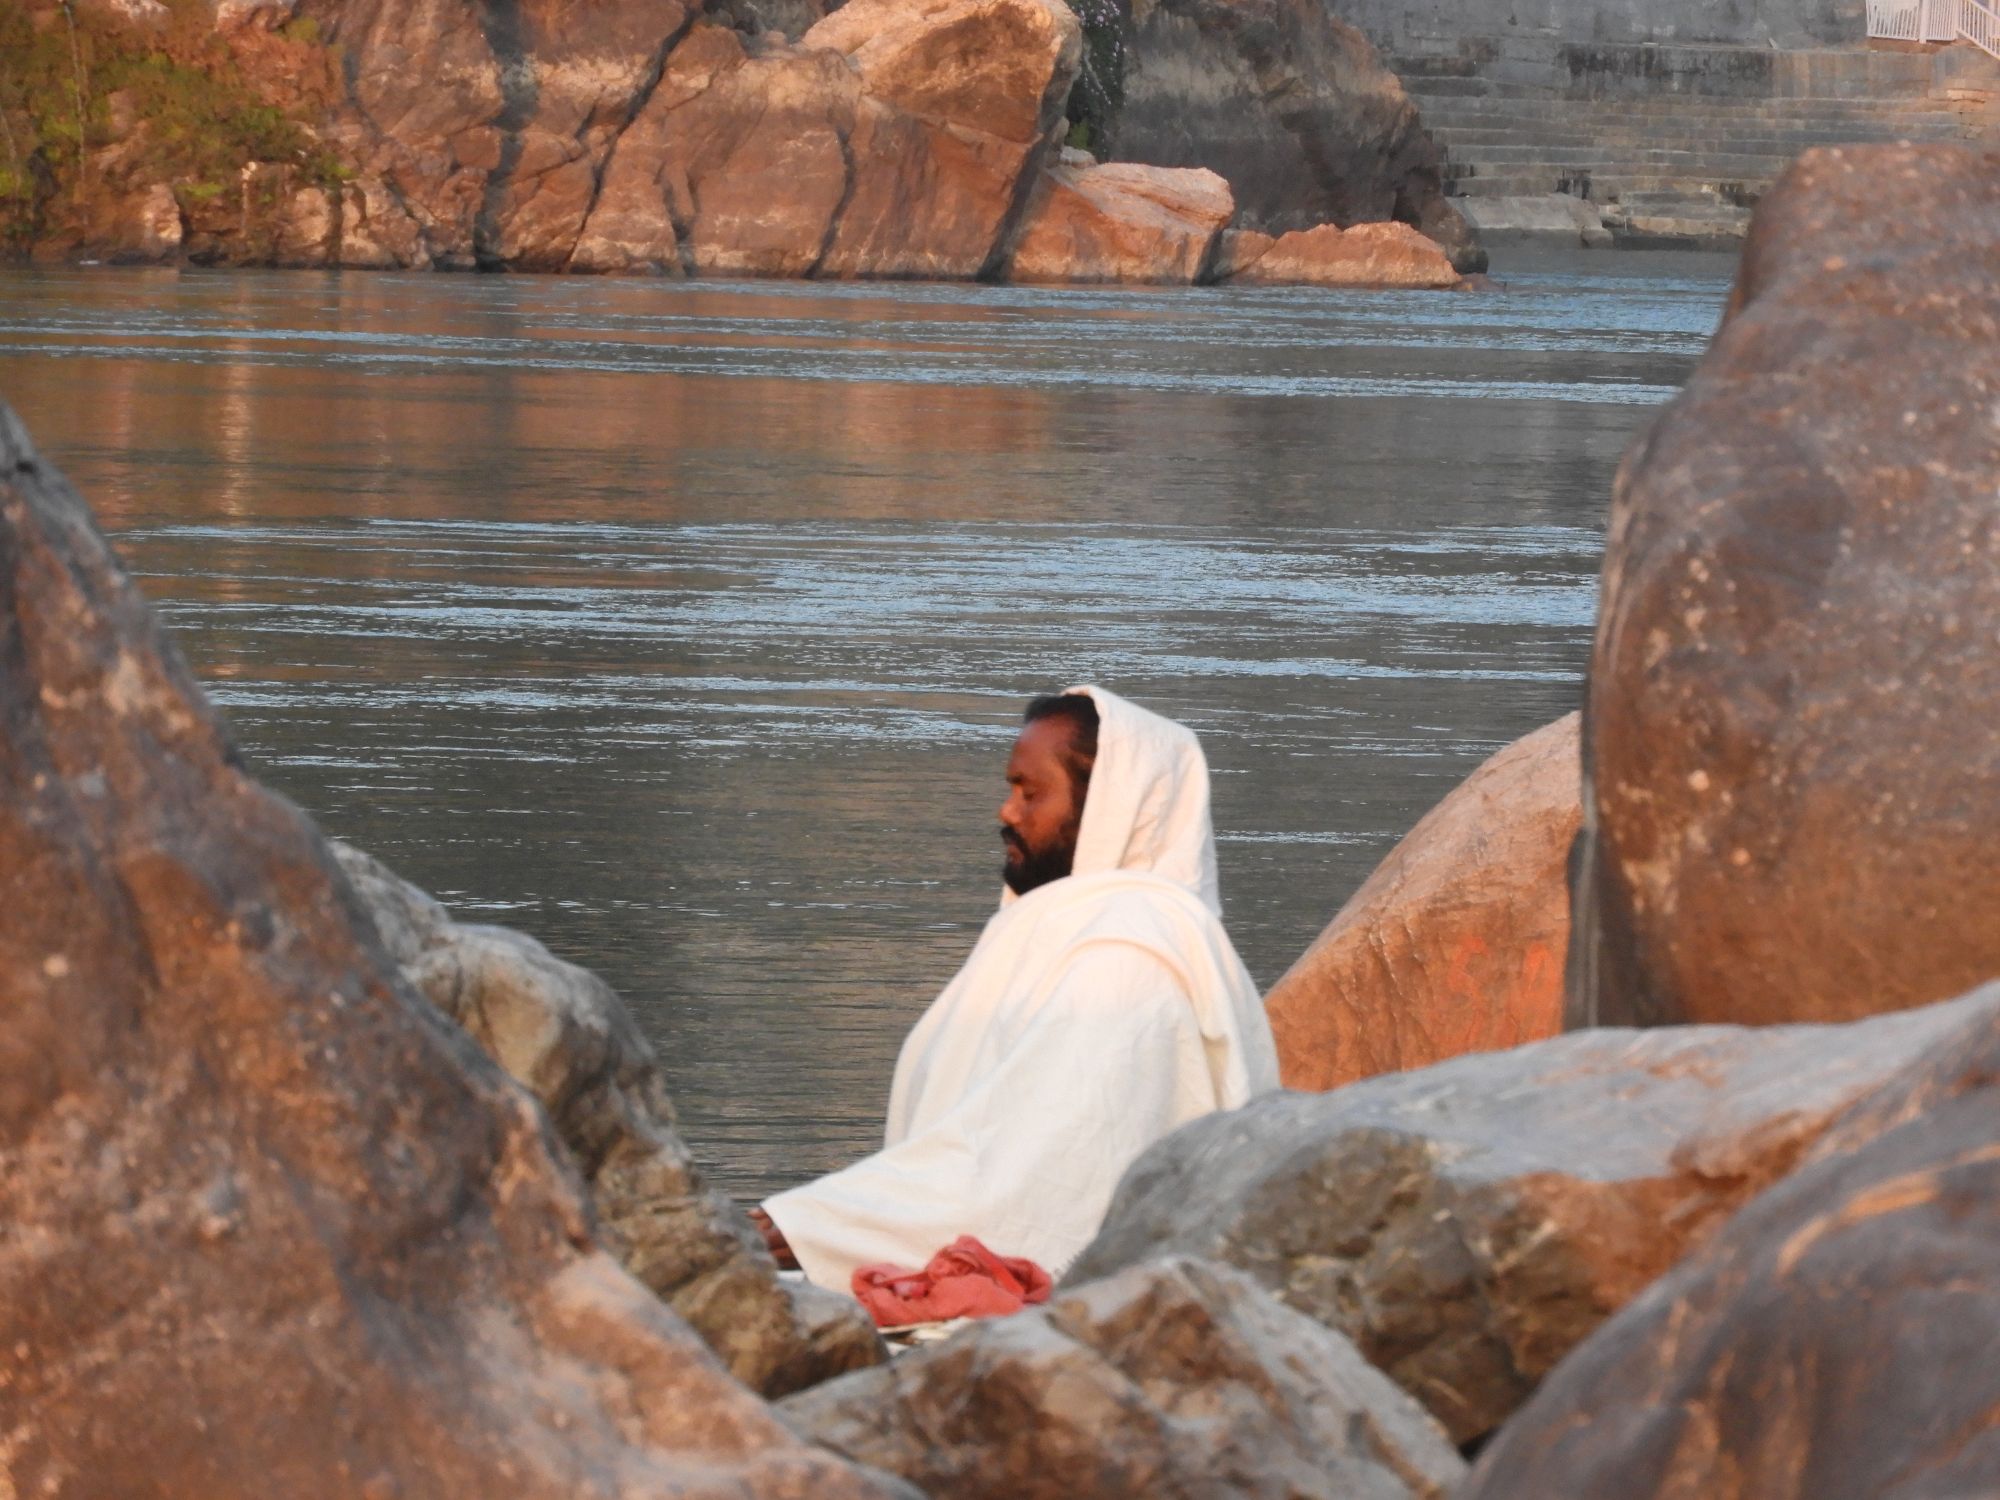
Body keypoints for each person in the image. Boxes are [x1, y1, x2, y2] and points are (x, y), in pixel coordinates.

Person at [750, 685, 1279, 1291]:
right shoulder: (1065, 934)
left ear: (1110, 805)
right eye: (1012, 789)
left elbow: (1036, 1180)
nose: (1008, 812)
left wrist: (808, 1228)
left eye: (1031, 792)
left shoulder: (1130, 957)